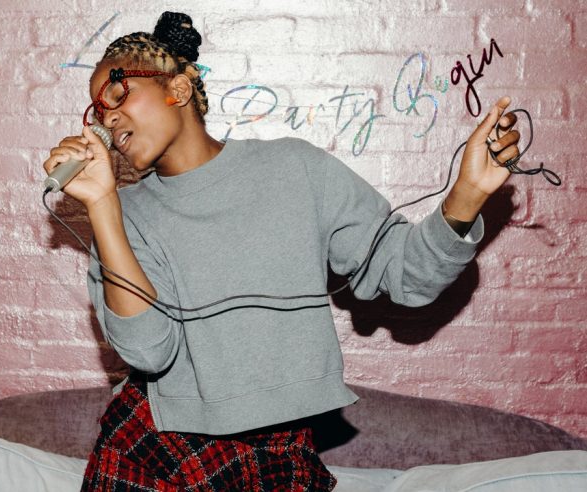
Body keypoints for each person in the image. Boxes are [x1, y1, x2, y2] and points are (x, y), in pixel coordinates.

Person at [39, 10, 521, 491]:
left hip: (276, 453)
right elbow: (148, 350)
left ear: (178, 89)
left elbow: (407, 276)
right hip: (154, 447)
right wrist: (103, 206)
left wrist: (467, 195)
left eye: (118, 94)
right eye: (98, 112)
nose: (108, 117)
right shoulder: (121, 216)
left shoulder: (296, 169)